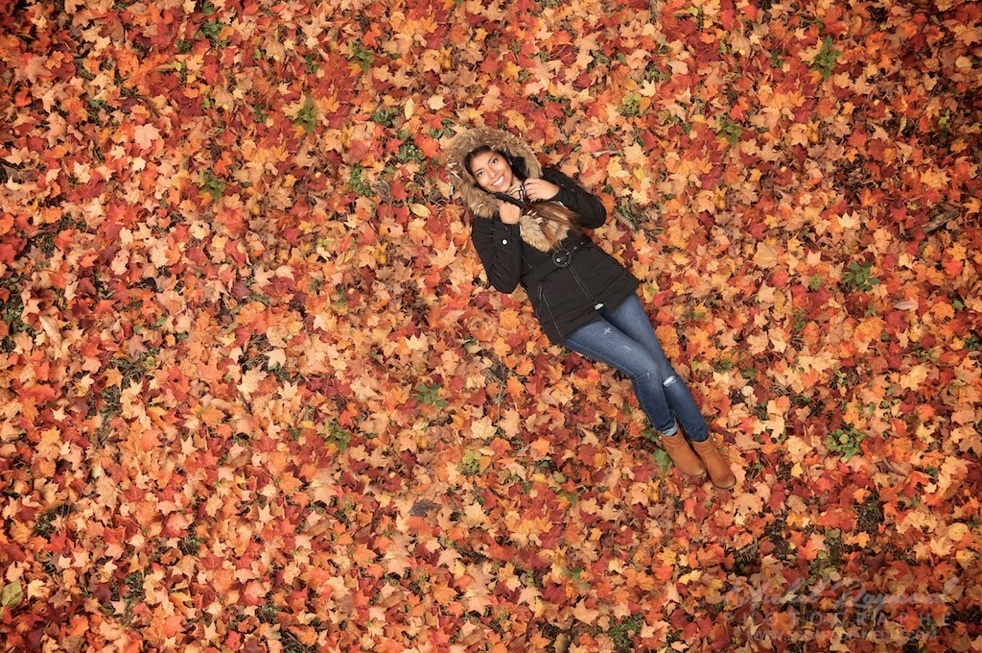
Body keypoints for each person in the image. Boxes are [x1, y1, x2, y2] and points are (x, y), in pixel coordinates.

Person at [444, 128, 736, 489]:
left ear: (506, 157)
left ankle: (704, 444)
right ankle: (671, 436)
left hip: (604, 281)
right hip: (566, 310)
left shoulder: (546, 179)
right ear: (477, 184)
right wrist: (507, 228)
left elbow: (596, 215)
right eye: (481, 173)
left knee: (663, 370)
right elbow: (504, 282)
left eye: (493, 162)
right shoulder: (487, 225)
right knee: (644, 367)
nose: (492, 173)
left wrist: (556, 193)